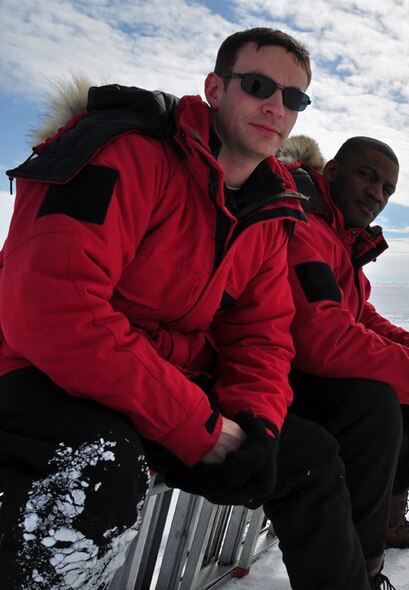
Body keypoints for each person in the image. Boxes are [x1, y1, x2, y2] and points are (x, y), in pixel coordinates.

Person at [0, 28, 370, 589]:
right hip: (37, 373)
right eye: (257, 85)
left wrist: (256, 423)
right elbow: (54, 311)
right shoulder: (123, 152)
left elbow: (262, 338)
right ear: (215, 89)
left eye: (294, 98)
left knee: (308, 457)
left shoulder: (272, 211)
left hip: (154, 390)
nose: (276, 106)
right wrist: (197, 427)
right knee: (102, 463)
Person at [277, 135, 409, 584]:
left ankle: (385, 524)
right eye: (367, 177)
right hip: (277, 377)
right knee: (377, 402)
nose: (378, 194)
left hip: (299, 376)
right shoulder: (306, 226)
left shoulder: (337, 236)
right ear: (332, 172)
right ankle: (364, 567)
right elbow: (326, 338)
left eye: (388, 189)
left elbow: (363, 317)